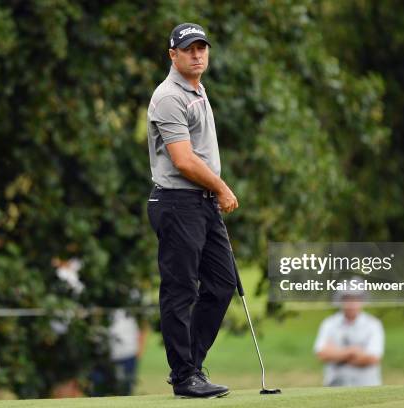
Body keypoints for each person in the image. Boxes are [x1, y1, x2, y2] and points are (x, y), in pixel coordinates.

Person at [145, 22, 239, 399]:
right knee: (180, 290)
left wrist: (212, 190)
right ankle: (185, 376)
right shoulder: (169, 96)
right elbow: (183, 161)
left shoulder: (198, 89)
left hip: (200, 202)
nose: (197, 54)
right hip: (177, 202)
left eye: (202, 48)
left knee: (222, 283)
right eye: (188, 49)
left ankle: (190, 367)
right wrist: (221, 186)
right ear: (173, 55)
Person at [313, 279, 385, 386]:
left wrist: (336, 355)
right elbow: (321, 354)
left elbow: (373, 358)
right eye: (347, 298)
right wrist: (353, 351)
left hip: (367, 387)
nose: (351, 303)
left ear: (362, 300)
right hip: (334, 387)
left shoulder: (373, 324)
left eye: (355, 298)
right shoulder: (329, 323)